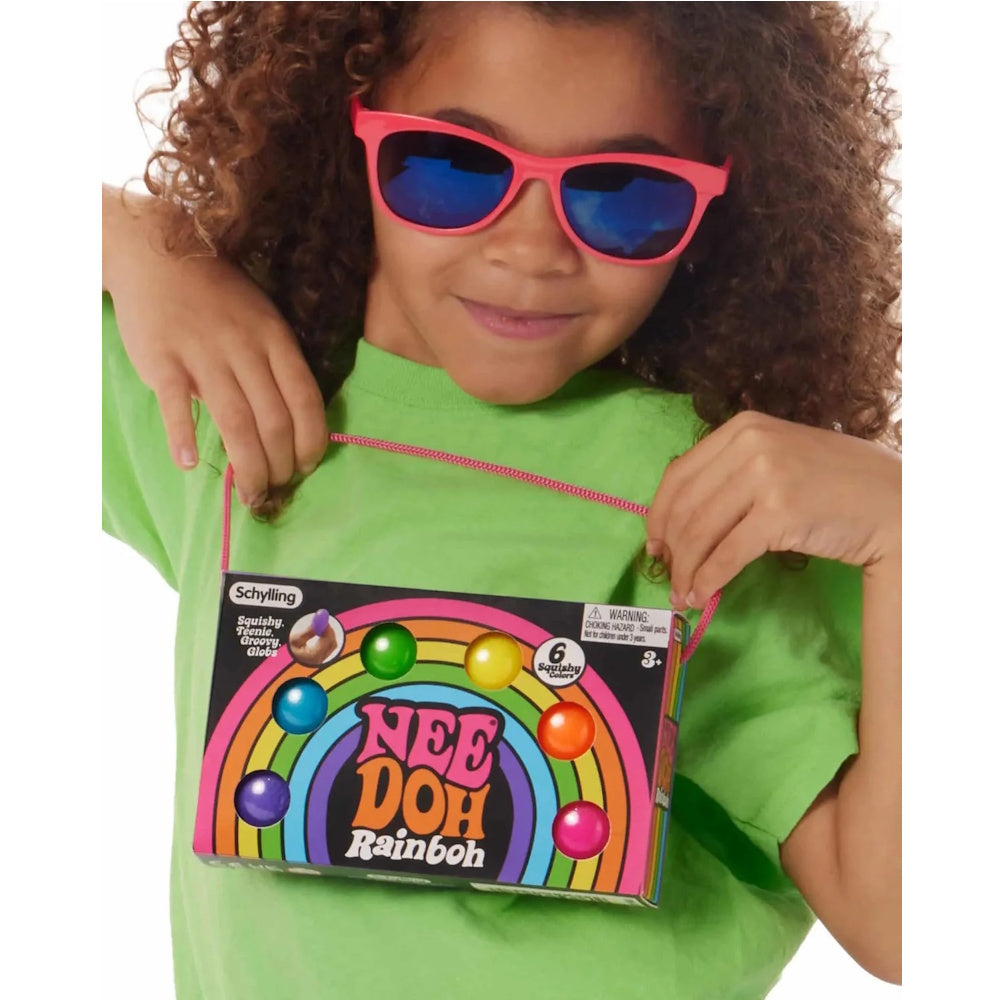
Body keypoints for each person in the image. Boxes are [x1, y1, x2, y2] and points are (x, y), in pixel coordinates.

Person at [101, 3, 902, 998]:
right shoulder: (230, 394)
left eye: (624, 195)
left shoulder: (718, 497)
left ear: (722, 210)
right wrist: (136, 242)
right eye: (450, 168)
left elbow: (902, 921)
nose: (532, 251)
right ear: (344, 133)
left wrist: (914, 532)